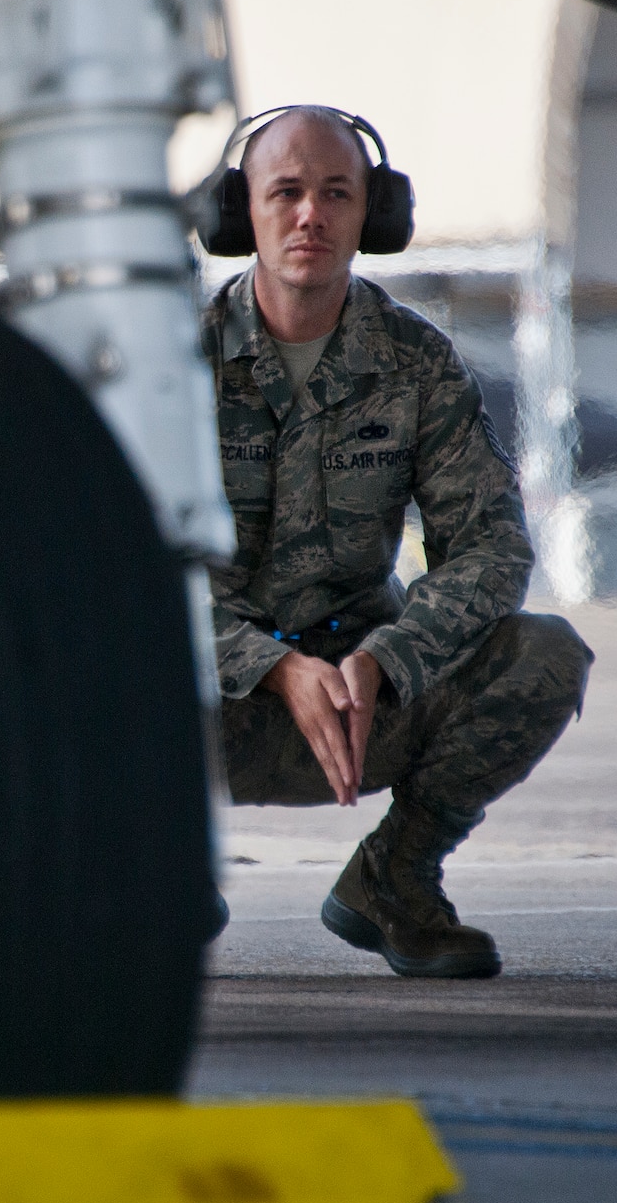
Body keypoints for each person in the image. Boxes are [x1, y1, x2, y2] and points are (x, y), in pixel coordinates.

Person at [206, 107, 592, 979]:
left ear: (371, 214)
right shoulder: (176, 366)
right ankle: (150, 871)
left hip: (358, 703)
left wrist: (391, 658)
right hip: (197, 708)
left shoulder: (416, 363)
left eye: (336, 193)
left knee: (545, 655)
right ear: (244, 214)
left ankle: (396, 879)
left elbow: (494, 548)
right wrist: (264, 662)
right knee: (80, 650)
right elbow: (118, 572)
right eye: (287, 192)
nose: (311, 215)